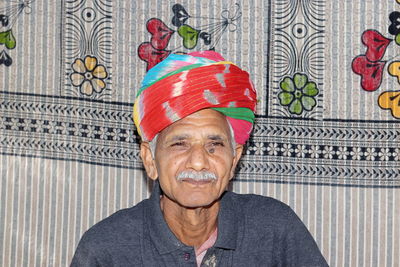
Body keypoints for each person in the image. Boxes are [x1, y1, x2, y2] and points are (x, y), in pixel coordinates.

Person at [71, 51, 328, 266]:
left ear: (234, 160)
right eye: (179, 144)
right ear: (150, 160)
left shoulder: (275, 228)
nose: (198, 162)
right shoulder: (106, 249)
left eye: (214, 145)